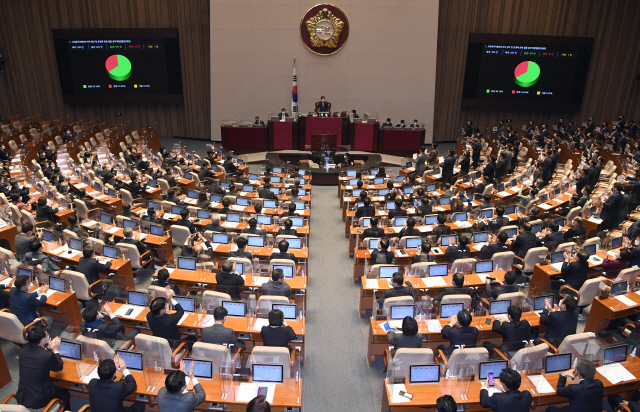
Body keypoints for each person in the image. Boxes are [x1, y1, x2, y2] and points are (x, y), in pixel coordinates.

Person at [16, 327, 69, 410]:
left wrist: (47, 348)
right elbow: (58, 367)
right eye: (47, 335)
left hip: (23, 395)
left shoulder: (22, 351)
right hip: (40, 398)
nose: (48, 336)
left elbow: (37, 358)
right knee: (65, 394)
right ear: (43, 340)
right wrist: (55, 350)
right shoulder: (46, 355)